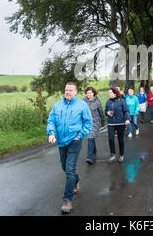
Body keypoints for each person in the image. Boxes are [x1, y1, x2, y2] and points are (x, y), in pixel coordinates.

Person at [47, 82, 93, 214]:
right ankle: (76, 179)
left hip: (75, 140)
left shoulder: (82, 105)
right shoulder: (57, 106)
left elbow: (88, 123)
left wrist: (80, 135)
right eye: (66, 89)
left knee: (70, 168)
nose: (67, 92)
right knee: (65, 167)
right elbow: (51, 120)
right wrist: (51, 133)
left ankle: (67, 200)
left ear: (75, 92)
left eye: (70, 90)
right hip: (61, 141)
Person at [105, 87, 130, 163]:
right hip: (111, 123)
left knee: (120, 139)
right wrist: (107, 113)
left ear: (115, 94)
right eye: (109, 93)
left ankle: (121, 155)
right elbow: (106, 111)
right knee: (110, 139)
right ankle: (112, 155)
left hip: (120, 123)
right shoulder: (108, 102)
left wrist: (127, 119)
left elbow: (126, 111)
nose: (109, 94)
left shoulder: (122, 101)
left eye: (110, 93)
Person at [83, 86, 105, 164]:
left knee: (90, 137)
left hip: (95, 122)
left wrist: (103, 121)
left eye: (90, 93)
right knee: (91, 138)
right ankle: (94, 150)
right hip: (86, 122)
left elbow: (101, 112)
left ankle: (89, 157)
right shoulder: (83, 101)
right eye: (87, 93)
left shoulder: (97, 101)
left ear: (93, 93)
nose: (88, 94)